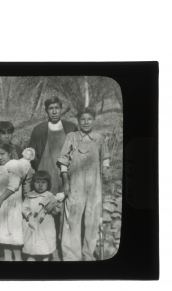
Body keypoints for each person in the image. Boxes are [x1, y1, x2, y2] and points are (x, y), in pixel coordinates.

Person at [57, 107, 110, 261]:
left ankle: (88, 254)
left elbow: (105, 157)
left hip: (95, 184)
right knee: (72, 219)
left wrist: (106, 169)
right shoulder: (71, 137)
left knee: (92, 220)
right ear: (78, 121)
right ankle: (71, 256)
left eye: (89, 119)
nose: (86, 122)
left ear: (94, 120)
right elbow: (63, 161)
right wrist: (66, 182)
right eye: (83, 119)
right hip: (75, 184)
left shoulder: (99, 138)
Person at [29, 96, 78, 246]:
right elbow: (32, 154)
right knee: (46, 207)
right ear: (46, 111)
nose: (54, 111)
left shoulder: (71, 127)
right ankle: (46, 244)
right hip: (46, 174)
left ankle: (64, 243)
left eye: (57, 108)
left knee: (65, 209)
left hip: (65, 174)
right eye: (51, 109)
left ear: (61, 109)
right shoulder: (39, 129)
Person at [0, 143, 34, 261]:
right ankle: (8, 259)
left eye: (3, 154)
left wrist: (0, 198)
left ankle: (18, 259)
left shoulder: (14, 164)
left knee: (14, 233)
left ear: (9, 153)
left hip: (12, 205)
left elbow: (14, 185)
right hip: (0, 205)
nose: (0, 157)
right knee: (4, 233)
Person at [22, 171, 61, 261]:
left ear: (48, 184)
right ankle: (31, 257)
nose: (40, 185)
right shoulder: (30, 195)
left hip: (45, 225)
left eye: (43, 183)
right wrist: (29, 216)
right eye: (37, 182)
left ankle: (45, 258)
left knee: (45, 241)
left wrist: (56, 206)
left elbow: (55, 212)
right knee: (31, 242)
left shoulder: (50, 196)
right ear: (33, 183)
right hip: (31, 223)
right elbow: (24, 207)